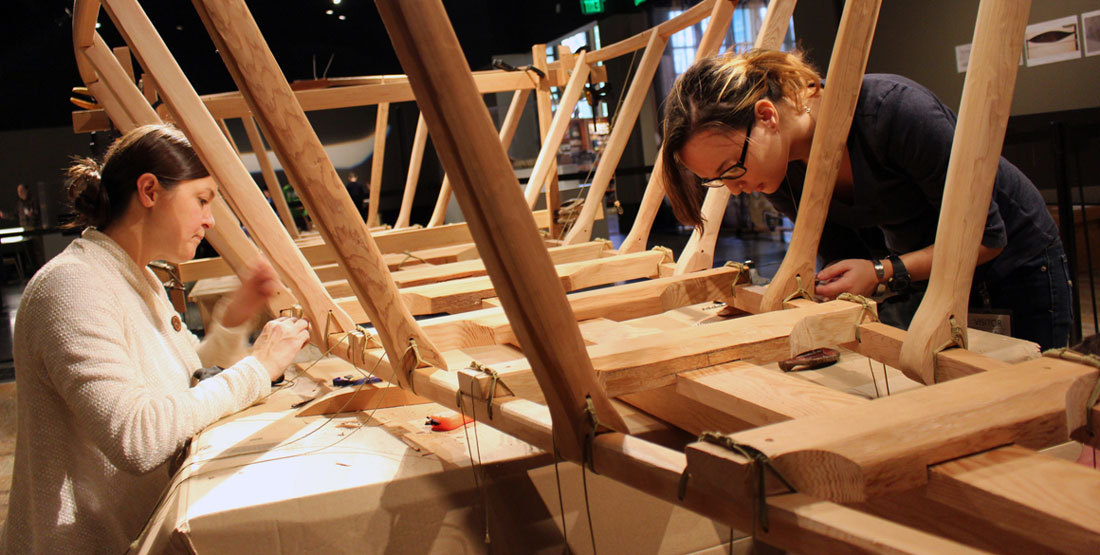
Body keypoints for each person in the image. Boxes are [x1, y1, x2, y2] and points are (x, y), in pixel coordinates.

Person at [1, 124, 311, 554]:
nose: (210, 219)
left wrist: (234, 321)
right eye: (201, 200)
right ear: (149, 190)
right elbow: (138, 437)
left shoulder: (136, 276)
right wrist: (257, 369)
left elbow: (175, 386)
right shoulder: (72, 288)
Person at [661, 49, 1072, 350]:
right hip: (926, 274)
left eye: (732, 167)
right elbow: (842, 256)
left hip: (1014, 262)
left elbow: (986, 236)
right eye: (716, 180)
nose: (734, 187)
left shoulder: (892, 112)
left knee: (1038, 409)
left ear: (767, 116)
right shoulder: (780, 174)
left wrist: (881, 270)